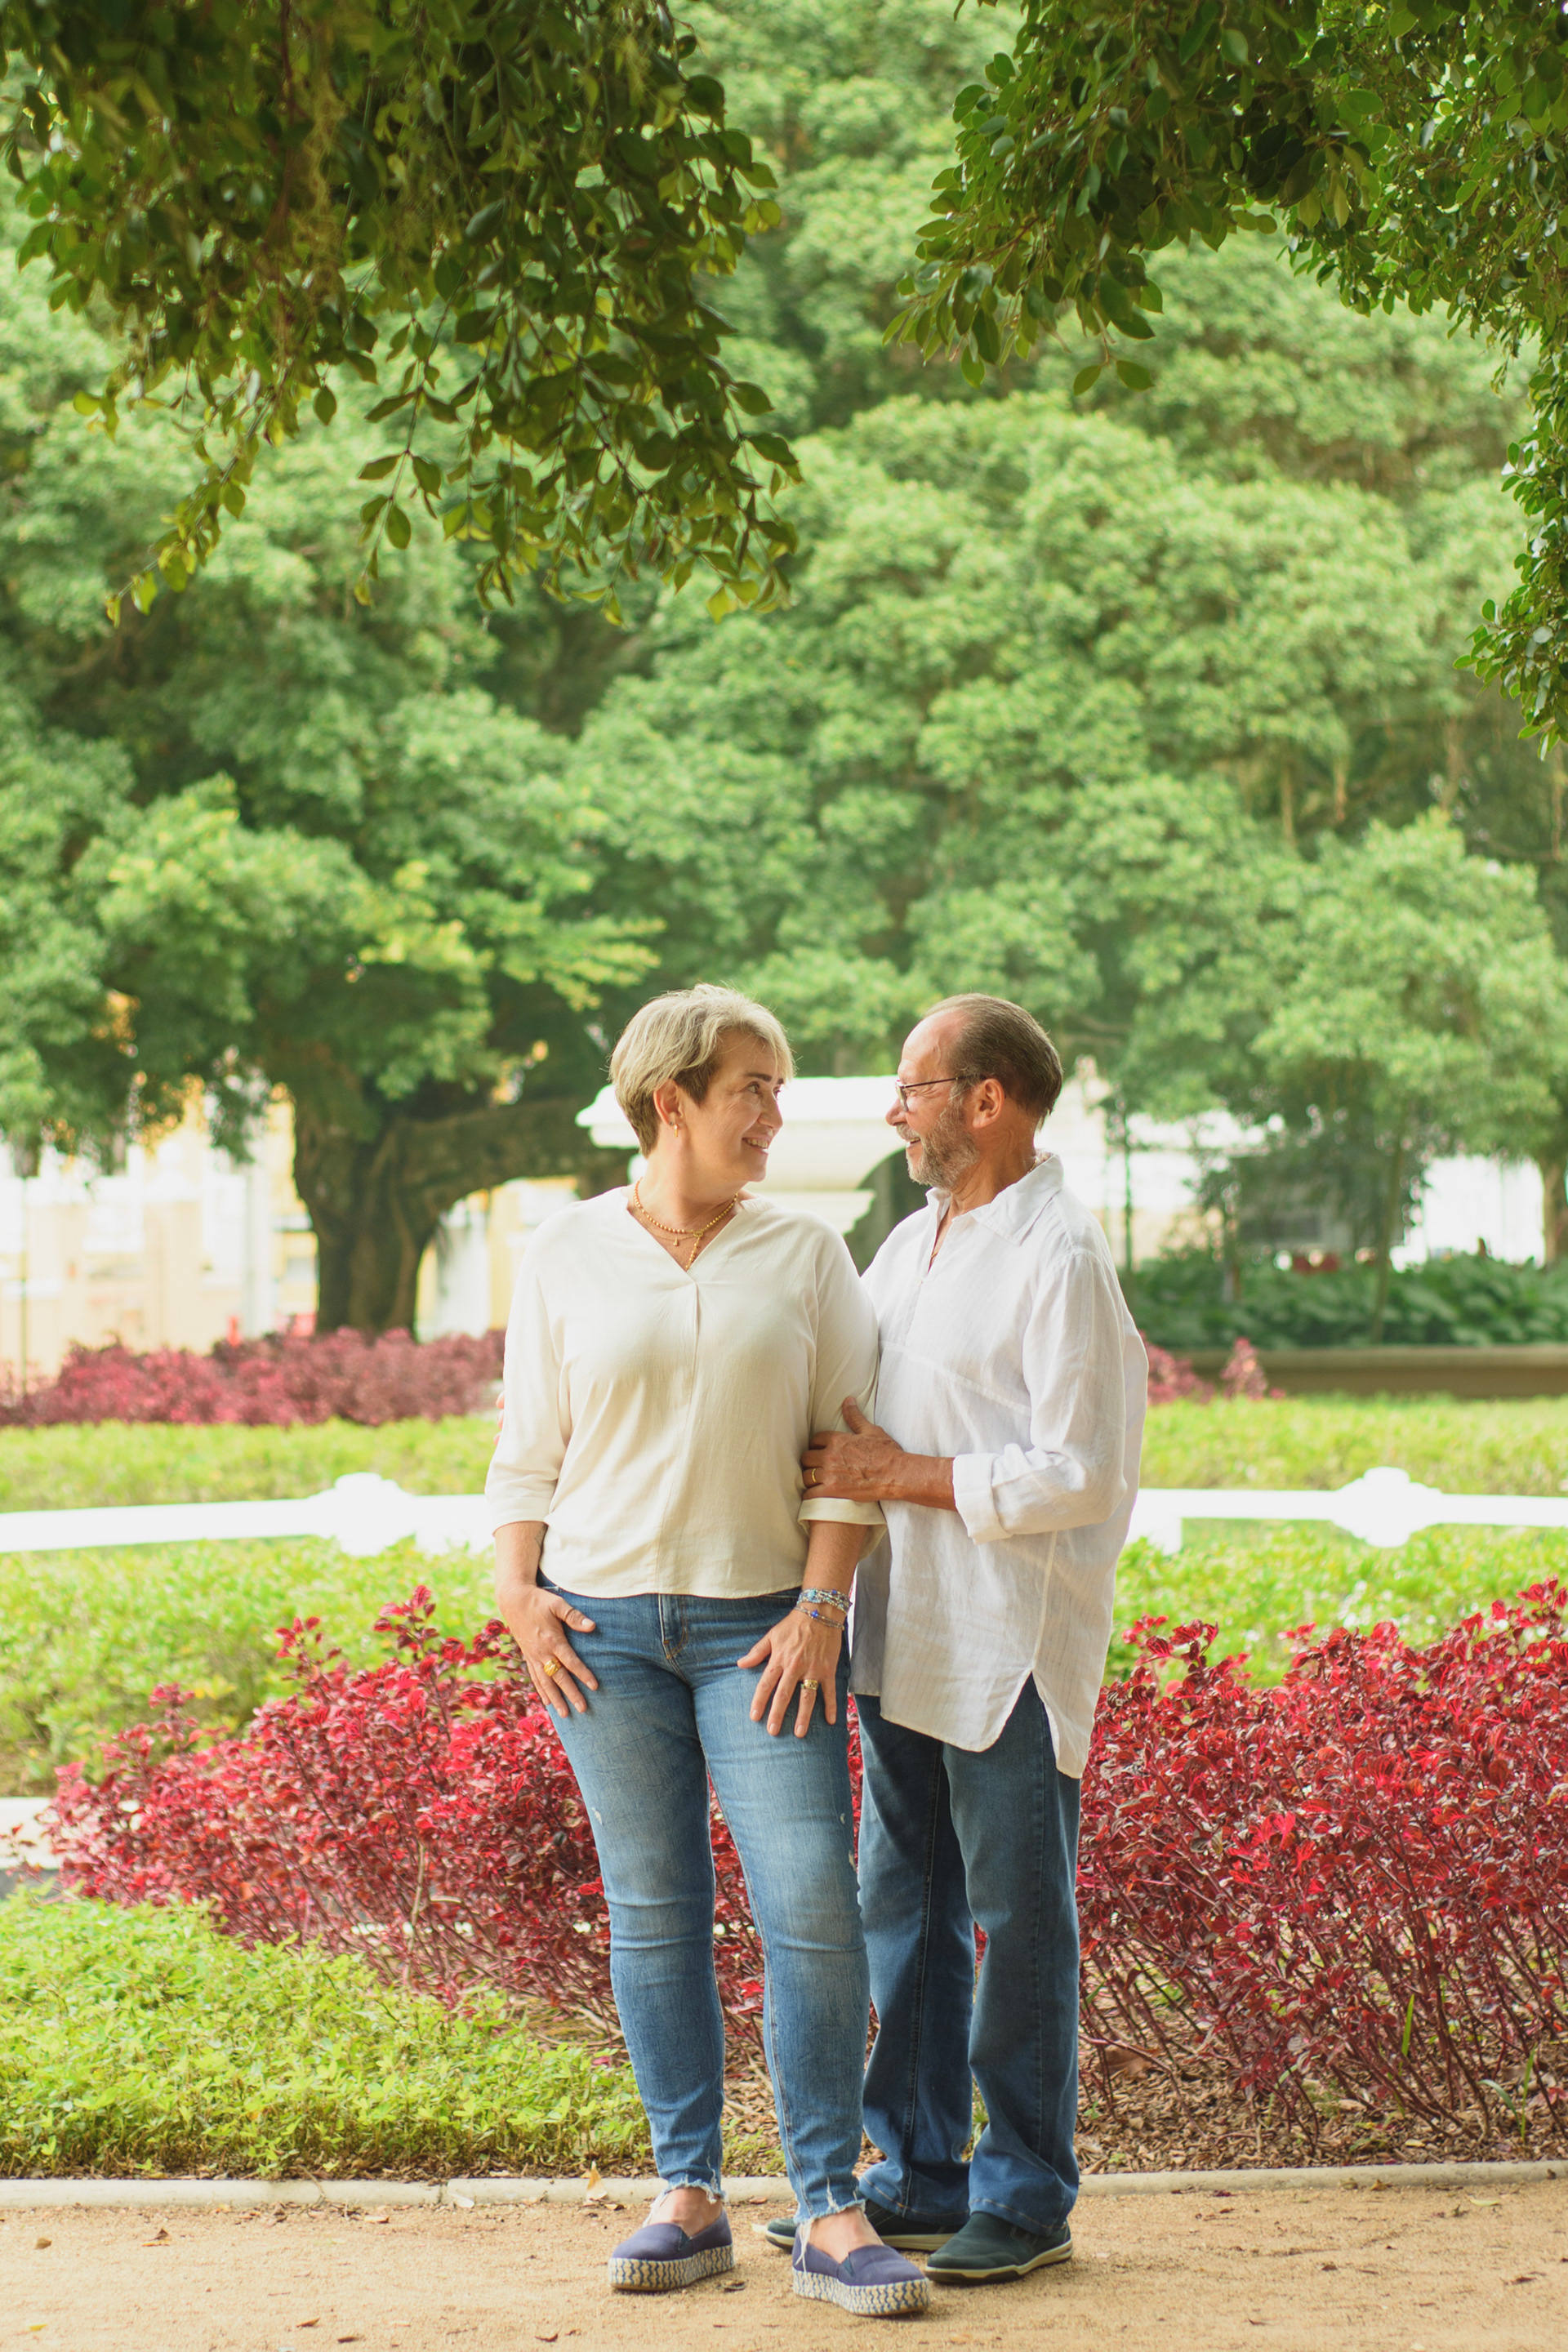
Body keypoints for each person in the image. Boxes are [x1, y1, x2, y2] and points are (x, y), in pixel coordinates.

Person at [488, 985, 929, 2320]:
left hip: (764, 1633)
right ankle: (689, 2194)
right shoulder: (564, 1252)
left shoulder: (803, 1255)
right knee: (656, 1913)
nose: (775, 1116)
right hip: (601, 1633)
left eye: (780, 1090)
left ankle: (829, 2208)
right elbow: (530, 1447)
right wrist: (516, 1593)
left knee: (809, 1907)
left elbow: (848, 1455)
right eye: (755, 1089)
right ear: (670, 1100)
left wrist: (820, 1607)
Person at [793, 993, 1147, 2287]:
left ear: (985, 1100)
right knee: (910, 1908)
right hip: (903, 1633)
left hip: (1006, 1647)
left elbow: (1080, 1474)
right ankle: (922, 2172)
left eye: (913, 1086)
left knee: (1015, 1919)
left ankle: (1030, 2193)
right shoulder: (915, 1240)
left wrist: (904, 1472)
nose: (896, 1109)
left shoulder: (1061, 1264)